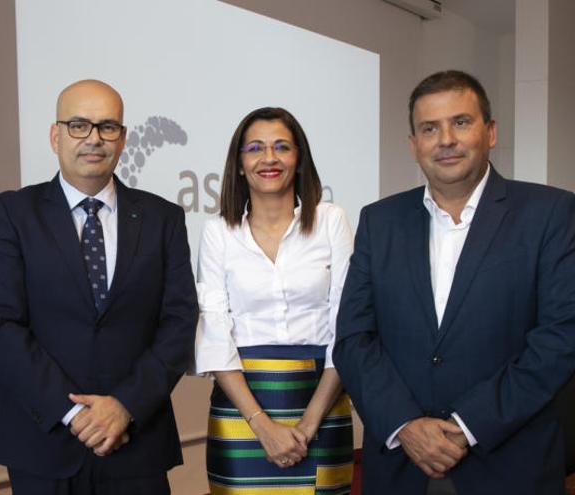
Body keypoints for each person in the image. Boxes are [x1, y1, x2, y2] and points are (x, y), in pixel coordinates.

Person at [333, 70, 575, 494]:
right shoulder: (379, 221)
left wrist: (467, 426)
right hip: (399, 468)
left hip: (510, 465)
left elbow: (560, 337)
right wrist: (405, 424)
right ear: (414, 145)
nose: (445, 139)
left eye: (460, 122)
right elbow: (354, 338)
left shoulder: (550, 213)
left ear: (491, 131)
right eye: (429, 128)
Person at [0, 79, 197, 494]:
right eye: (79, 125)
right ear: (56, 135)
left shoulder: (163, 218)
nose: (94, 138)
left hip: (136, 439)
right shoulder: (13, 213)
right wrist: (73, 415)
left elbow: (180, 322)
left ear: (123, 138)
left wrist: (125, 405)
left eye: (107, 126)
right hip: (42, 439)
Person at [195, 107, 355, 494]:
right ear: (239, 163)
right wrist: (262, 425)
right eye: (256, 148)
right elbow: (215, 330)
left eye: (281, 147)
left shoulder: (331, 220)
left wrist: (309, 423)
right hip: (241, 408)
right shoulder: (218, 232)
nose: (269, 158)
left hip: (323, 399)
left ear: (298, 159)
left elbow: (348, 323)